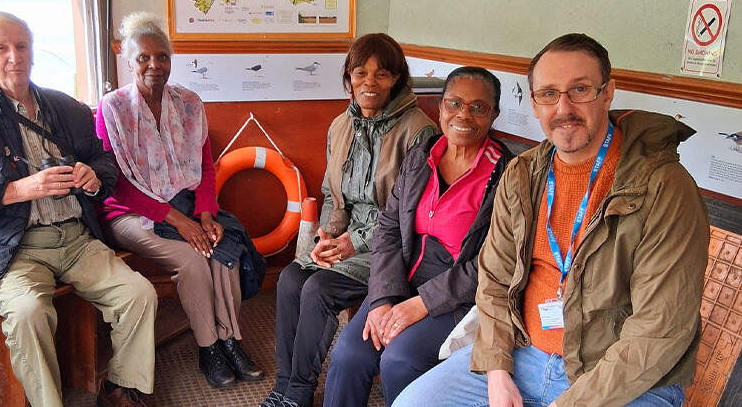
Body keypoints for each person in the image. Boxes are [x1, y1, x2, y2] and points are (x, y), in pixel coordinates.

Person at [393, 33, 709, 407]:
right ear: (535, 103)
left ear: (607, 93)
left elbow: (660, 330)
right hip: (524, 354)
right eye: (549, 94)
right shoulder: (523, 174)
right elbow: (493, 280)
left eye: (580, 90)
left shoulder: (664, 187)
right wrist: (496, 371)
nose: (564, 108)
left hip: (621, 379)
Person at [0, 12, 156, 407]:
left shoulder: (66, 107)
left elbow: (104, 164)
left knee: (140, 295)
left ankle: (120, 390)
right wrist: (16, 190)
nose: (15, 56)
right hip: (10, 250)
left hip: (77, 240)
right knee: (30, 313)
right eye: (2, 48)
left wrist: (93, 178)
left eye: (22, 46)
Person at [260, 33, 438, 407]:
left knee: (318, 289)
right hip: (346, 239)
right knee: (290, 278)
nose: (370, 83)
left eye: (382, 74)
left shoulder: (420, 131)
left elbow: (409, 213)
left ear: (398, 79)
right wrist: (326, 236)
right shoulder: (341, 124)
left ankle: (299, 391)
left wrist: (353, 242)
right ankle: (284, 383)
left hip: (393, 246)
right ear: (349, 77)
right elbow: (333, 194)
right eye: (361, 73)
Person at [324, 67, 514, 406]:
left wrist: (422, 303)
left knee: (400, 359)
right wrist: (383, 300)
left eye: (478, 107)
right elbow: (388, 230)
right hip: (400, 282)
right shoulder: (420, 156)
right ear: (440, 108)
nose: (464, 115)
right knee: (349, 353)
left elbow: (494, 263)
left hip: (459, 297)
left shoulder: (506, 175)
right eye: (454, 103)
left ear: (494, 114)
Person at [96, 12, 263, 389]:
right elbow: (117, 184)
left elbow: (205, 166)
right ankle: (208, 349)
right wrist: (180, 221)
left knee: (223, 251)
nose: (154, 65)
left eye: (162, 57)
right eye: (144, 57)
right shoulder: (113, 109)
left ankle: (229, 341)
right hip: (130, 214)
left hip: (188, 206)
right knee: (193, 259)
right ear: (129, 60)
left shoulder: (189, 103)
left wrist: (205, 213)